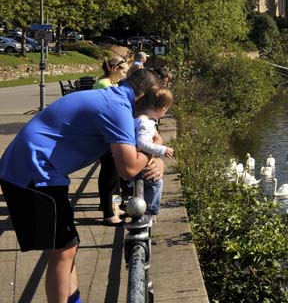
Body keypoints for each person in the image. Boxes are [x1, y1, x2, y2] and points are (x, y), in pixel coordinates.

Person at [0, 69, 166, 303]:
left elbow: (149, 140)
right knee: (63, 248)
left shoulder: (115, 100)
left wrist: (155, 154)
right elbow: (128, 168)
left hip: (33, 168)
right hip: (32, 171)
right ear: (144, 98)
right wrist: (152, 158)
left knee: (68, 246)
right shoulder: (118, 109)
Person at [93, 56, 130, 225]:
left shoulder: (110, 83)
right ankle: (109, 213)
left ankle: (115, 205)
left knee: (115, 175)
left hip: (109, 134)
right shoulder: (104, 85)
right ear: (114, 69)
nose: (124, 75)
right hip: (107, 136)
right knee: (109, 174)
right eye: (123, 71)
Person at [133, 87, 175, 222]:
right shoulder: (144, 123)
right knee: (157, 183)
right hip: (139, 163)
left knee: (148, 185)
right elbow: (141, 143)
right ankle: (150, 212)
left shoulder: (140, 118)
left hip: (138, 160)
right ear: (162, 108)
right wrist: (162, 150)